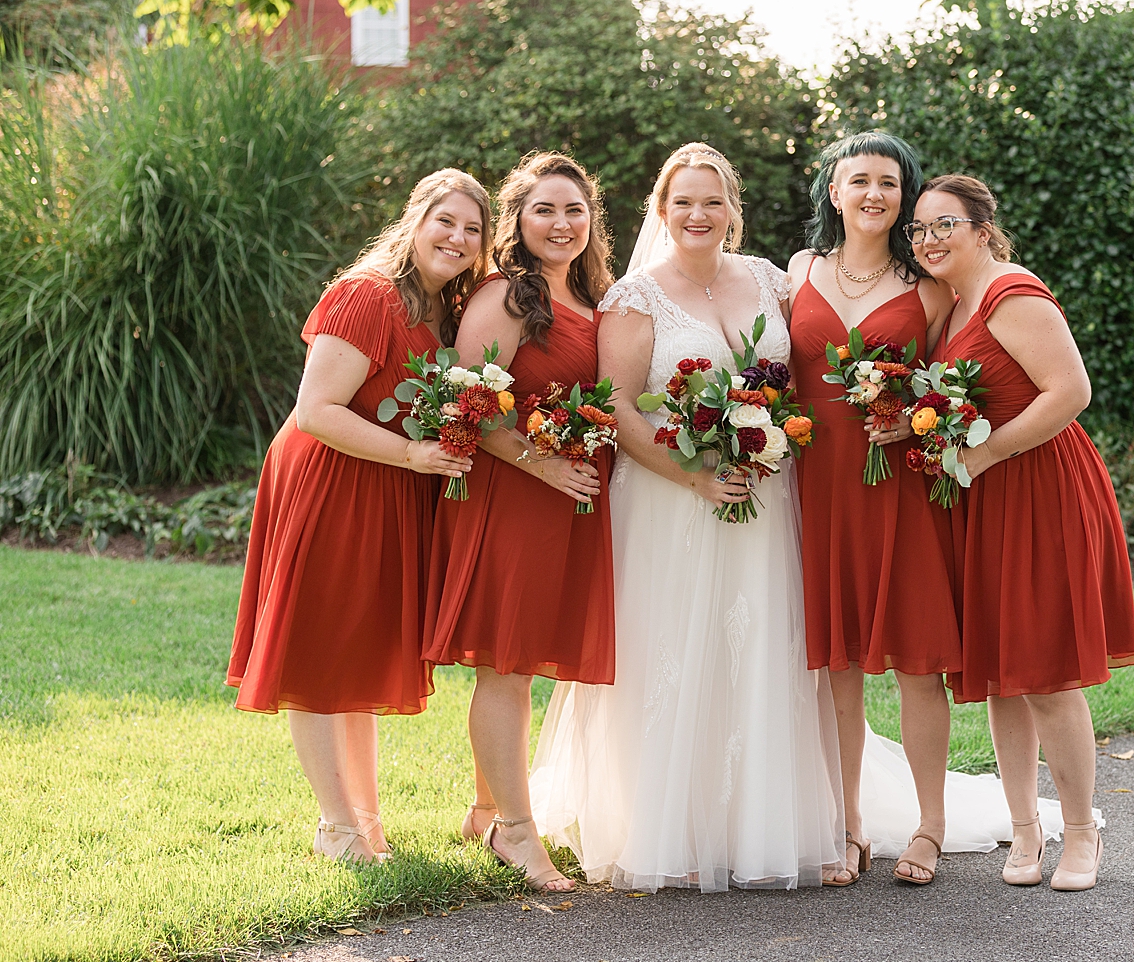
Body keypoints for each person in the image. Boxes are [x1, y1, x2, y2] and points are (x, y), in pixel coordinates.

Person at [529, 142, 848, 892]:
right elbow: (615, 409)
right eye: (683, 202)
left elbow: (796, 383)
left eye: (712, 201)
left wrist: (769, 439)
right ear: (662, 211)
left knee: (760, 643)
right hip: (670, 502)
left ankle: (765, 823)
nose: (698, 214)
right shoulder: (637, 298)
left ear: (732, 208)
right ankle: (668, 826)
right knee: (672, 647)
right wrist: (695, 477)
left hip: (763, 499)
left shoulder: (773, 281)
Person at [227, 169, 490, 863]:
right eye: (446, 222)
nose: (458, 239)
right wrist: (412, 456)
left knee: (358, 652)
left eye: (473, 230)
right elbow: (315, 412)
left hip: (388, 486)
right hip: (331, 480)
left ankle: (363, 822)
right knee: (319, 650)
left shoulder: (444, 310)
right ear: (415, 220)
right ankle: (337, 826)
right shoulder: (366, 295)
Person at [917, 174, 1134, 891]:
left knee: (1046, 675)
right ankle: (1025, 832)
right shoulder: (950, 308)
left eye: (943, 225)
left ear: (983, 231)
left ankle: (1080, 834)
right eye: (918, 230)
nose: (928, 240)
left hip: (1039, 490)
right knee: (1000, 679)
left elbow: (1071, 392)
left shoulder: (1011, 292)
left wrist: (981, 454)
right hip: (984, 501)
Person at [424, 153, 615, 893]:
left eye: (573, 210)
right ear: (518, 221)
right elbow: (467, 405)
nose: (561, 224)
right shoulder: (503, 296)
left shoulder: (594, 296)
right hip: (513, 497)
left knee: (525, 663)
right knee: (505, 667)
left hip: (566, 500)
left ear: (590, 218)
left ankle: (484, 808)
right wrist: (541, 465)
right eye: (544, 210)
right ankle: (516, 830)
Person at [786, 131, 960, 885]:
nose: (873, 195)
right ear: (834, 190)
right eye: (859, 180)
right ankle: (848, 825)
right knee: (837, 667)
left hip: (896, 487)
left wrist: (916, 407)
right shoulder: (798, 272)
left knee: (919, 667)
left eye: (889, 183)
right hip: (815, 488)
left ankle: (930, 827)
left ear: (906, 196)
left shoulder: (929, 286)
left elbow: (957, 378)